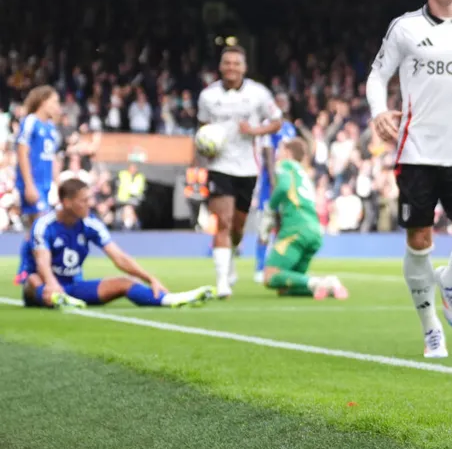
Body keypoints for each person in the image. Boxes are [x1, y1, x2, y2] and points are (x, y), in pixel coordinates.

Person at [367, 0, 452, 359]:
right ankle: (430, 327)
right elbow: (377, 76)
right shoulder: (405, 28)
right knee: (418, 240)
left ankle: (450, 280)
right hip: (416, 152)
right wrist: (379, 111)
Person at [23, 178, 214, 309]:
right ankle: (57, 298)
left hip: (73, 286)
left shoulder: (91, 224)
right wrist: (52, 285)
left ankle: (169, 299)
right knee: (33, 280)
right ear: (66, 202)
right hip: (45, 286)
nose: (89, 204)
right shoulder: (44, 225)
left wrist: (150, 278)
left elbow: (119, 257)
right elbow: (42, 263)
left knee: (126, 283)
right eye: (84, 200)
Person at [197, 45, 283, 299]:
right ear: (220, 66)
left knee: (237, 227)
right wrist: (204, 152)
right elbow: (202, 128)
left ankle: (231, 255)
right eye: (227, 63)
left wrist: (254, 131)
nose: (231, 68)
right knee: (222, 221)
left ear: (244, 67)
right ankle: (222, 282)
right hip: (219, 166)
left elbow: (277, 121)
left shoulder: (258, 94)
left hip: (247, 167)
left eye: (236, 63)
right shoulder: (208, 96)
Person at [261, 138, 347, 299]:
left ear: (288, 153)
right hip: (314, 231)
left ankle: (317, 282)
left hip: (296, 229)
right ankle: (327, 283)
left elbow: (284, 186)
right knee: (285, 287)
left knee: (270, 276)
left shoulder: (286, 165)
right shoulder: (304, 173)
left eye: (281, 151)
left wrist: (270, 208)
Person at [13, 85, 62, 286]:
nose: (57, 107)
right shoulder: (31, 122)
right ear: (43, 101)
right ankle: (28, 270)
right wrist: (29, 185)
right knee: (40, 226)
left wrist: (58, 185)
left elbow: (52, 160)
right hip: (32, 184)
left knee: (36, 228)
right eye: (55, 102)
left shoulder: (51, 129)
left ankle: (26, 270)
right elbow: (22, 153)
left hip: (46, 186)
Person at [252, 94, 298, 283]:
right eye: (279, 102)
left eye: (285, 101)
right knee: (265, 225)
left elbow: (294, 155)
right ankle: (260, 267)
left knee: (282, 227)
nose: (283, 104)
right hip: (270, 184)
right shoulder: (269, 128)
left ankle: (277, 264)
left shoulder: (290, 128)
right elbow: (269, 155)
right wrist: (273, 183)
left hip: (287, 183)